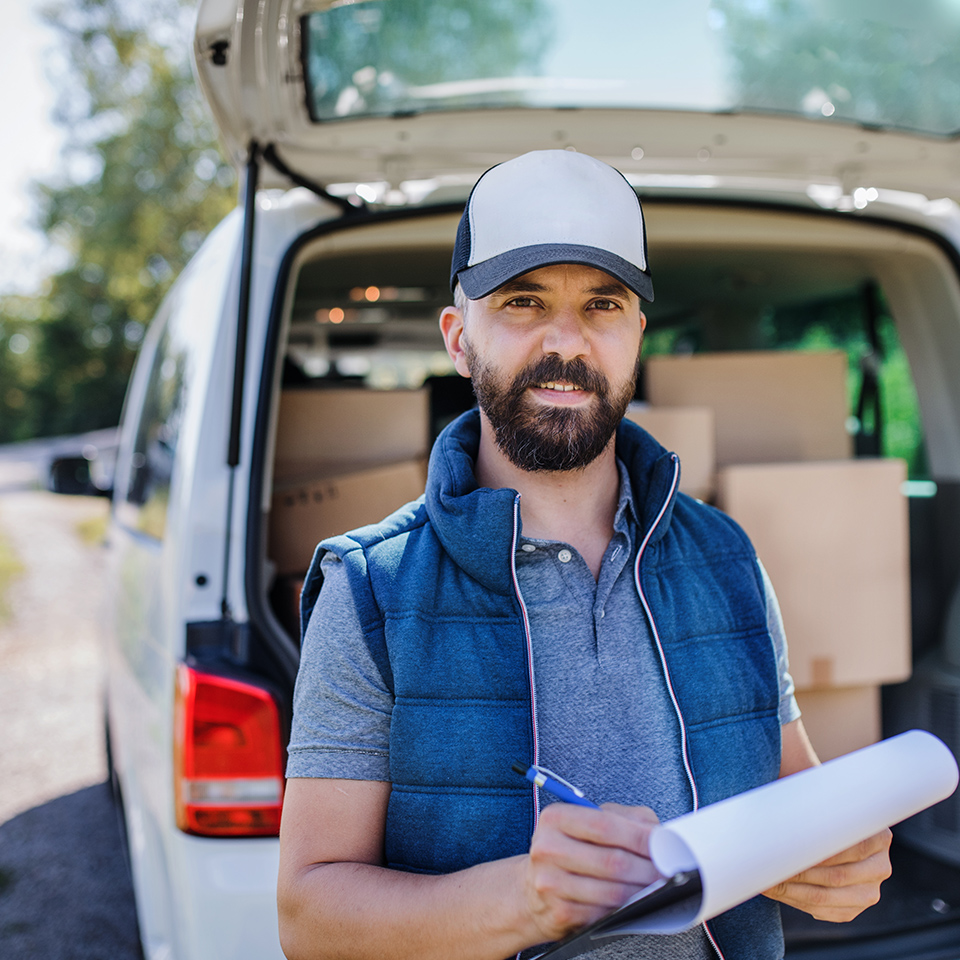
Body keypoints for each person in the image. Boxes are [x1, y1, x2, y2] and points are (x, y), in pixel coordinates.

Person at [277, 150, 892, 960]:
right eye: (524, 301)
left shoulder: (726, 559)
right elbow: (310, 918)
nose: (565, 342)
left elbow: (790, 796)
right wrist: (522, 902)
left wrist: (837, 863)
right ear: (460, 340)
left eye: (602, 304)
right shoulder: (371, 592)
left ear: (636, 336)